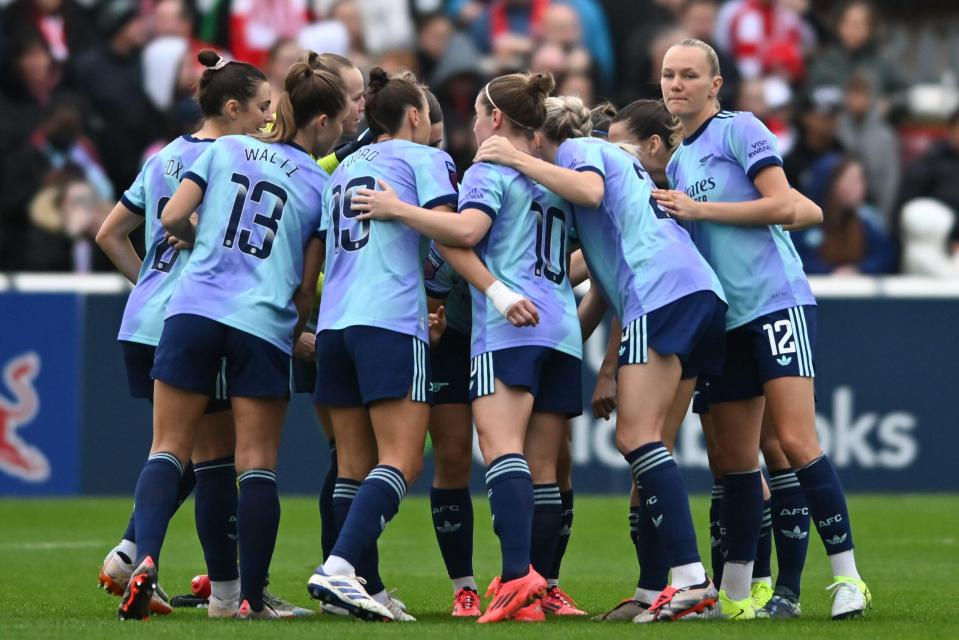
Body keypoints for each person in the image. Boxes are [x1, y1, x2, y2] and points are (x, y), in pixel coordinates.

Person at [474, 88, 729, 622]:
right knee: (651, 444)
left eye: (531, 142)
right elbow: (598, 283)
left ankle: (692, 582)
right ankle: (656, 591)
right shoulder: (609, 166)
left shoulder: (576, 153)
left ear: (541, 136)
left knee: (635, 438)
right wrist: (572, 344)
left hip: (659, 294)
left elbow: (589, 193)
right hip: (695, 292)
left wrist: (513, 156)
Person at [117, 57, 348, 620]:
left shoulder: (222, 150)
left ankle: (143, 559)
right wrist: (300, 321)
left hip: (192, 310)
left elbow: (170, 218)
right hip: (261, 323)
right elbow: (305, 285)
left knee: (169, 448)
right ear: (321, 122)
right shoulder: (320, 182)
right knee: (257, 463)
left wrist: (208, 245)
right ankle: (248, 597)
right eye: (343, 118)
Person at [655, 38, 870, 620]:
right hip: (726, 320)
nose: (676, 84)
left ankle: (847, 579)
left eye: (689, 75)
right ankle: (735, 595)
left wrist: (700, 211)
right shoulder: (678, 162)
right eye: (669, 75)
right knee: (735, 459)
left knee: (796, 443)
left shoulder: (740, 129)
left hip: (776, 302)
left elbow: (782, 203)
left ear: (715, 84)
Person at [602, 97, 820, 620]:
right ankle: (692, 589)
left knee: (771, 446)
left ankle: (771, 586)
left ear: (652, 144)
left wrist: (710, 210)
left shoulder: (721, 147)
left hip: (754, 305)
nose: (610, 158)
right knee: (722, 454)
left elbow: (804, 208)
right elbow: (617, 275)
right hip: (714, 318)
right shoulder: (651, 188)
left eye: (617, 147)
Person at [94, 51, 271, 618]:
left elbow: (108, 233)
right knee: (214, 458)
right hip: (199, 316)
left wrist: (144, 281)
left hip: (145, 318)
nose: (268, 120)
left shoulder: (165, 156)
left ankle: (132, 553)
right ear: (233, 106)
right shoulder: (235, 159)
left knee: (172, 450)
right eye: (262, 108)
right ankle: (224, 590)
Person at [305, 67, 461, 623]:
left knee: (352, 466)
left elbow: (319, 256)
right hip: (390, 320)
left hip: (335, 325)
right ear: (415, 115)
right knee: (401, 460)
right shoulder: (427, 159)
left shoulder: (343, 167)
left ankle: (359, 584)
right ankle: (341, 568)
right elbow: (452, 232)